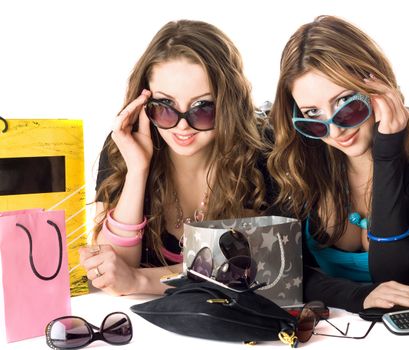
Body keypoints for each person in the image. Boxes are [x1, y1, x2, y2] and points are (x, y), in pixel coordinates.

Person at [267, 15, 409, 312]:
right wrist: (356, 297)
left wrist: (387, 152)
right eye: (312, 113)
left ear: (376, 84)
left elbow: (399, 279)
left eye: (345, 104)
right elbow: (279, 271)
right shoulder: (298, 149)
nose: (335, 129)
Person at [79, 20, 271, 296]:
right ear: (145, 103)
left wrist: (141, 281)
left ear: (228, 103)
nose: (183, 125)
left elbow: (256, 267)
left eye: (202, 108)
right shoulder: (124, 146)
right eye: (165, 107)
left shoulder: (259, 151)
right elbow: (112, 271)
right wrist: (137, 169)